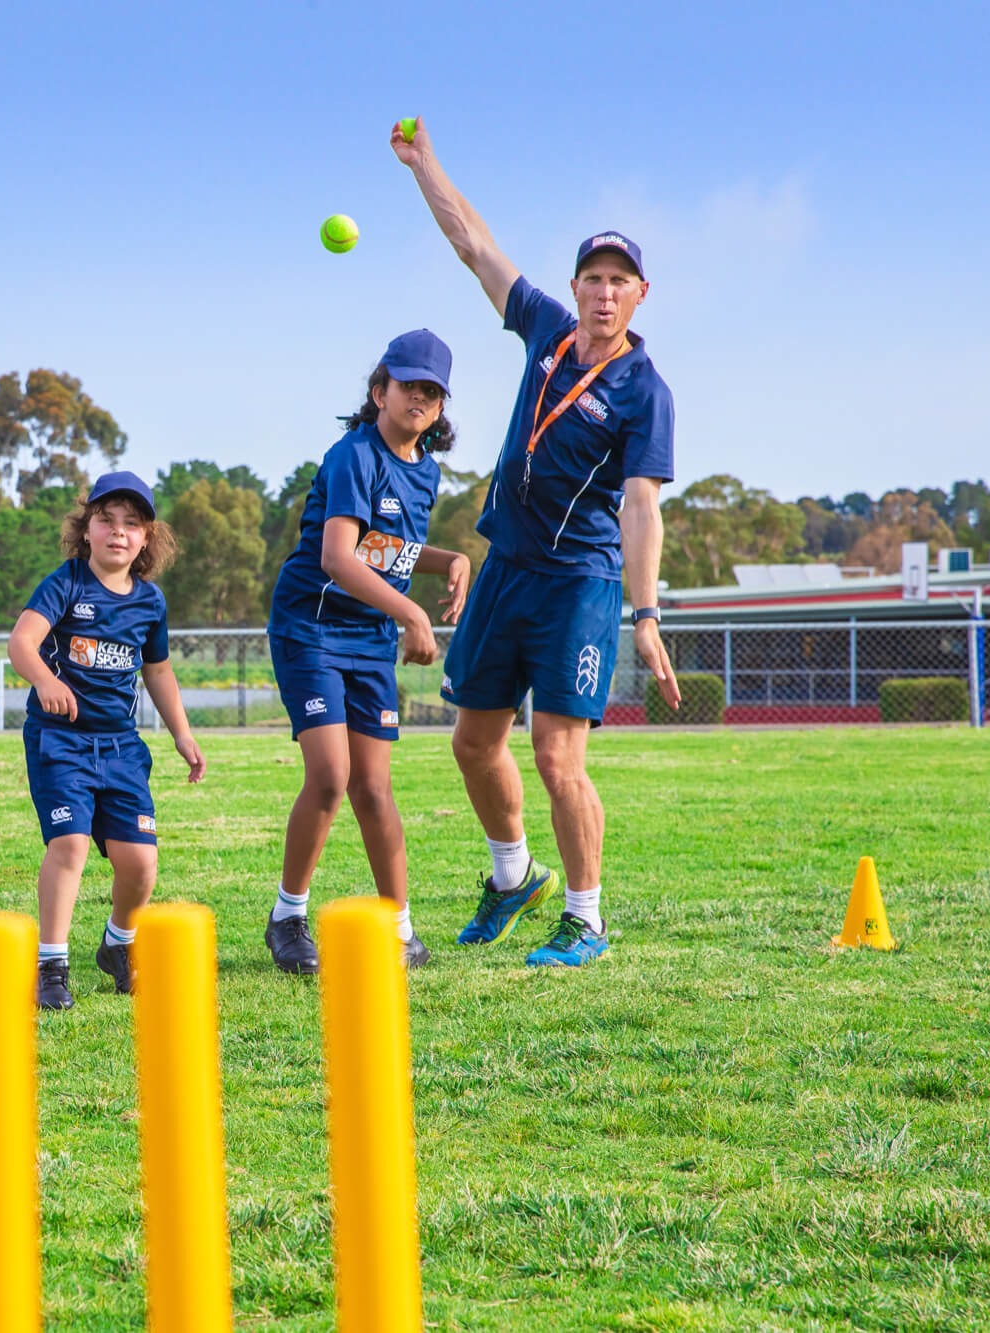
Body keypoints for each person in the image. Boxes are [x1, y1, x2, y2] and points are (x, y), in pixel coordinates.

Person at [391, 117, 680, 967]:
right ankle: (514, 875)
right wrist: (424, 163)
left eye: (618, 282)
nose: (602, 293)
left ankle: (586, 919)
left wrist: (646, 614)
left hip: (578, 585)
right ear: (575, 286)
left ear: (640, 294)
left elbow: (641, 507)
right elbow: (475, 247)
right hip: (506, 570)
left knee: (557, 757)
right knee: (472, 742)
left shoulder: (644, 390)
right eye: (592, 278)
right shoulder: (548, 332)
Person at [263, 330, 472, 975]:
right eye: (407, 385)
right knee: (331, 776)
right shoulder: (354, 454)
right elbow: (337, 556)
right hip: (312, 628)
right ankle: (287, 918)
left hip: (369, 639)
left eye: (431, 390)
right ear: (380, 392)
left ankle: (400, 930)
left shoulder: (426, 470)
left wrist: (452, 560)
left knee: (374, 789)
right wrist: (411, 612)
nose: (419, 397)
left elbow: (386, 551)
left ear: (440, 406)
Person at [7, 472, 205, 1011]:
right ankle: (51, 967)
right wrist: (45, 681)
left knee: (140, 864)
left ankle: (118, 944)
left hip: (120, 748)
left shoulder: (151, 602)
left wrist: (182, 734)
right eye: (106, 520)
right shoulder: (66, 583)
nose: (118, 531)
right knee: (69, 845)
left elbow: (158, 671)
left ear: (146, 539)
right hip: (60, 742)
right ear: (86, 529)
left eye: (131, 524)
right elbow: (22, 642)